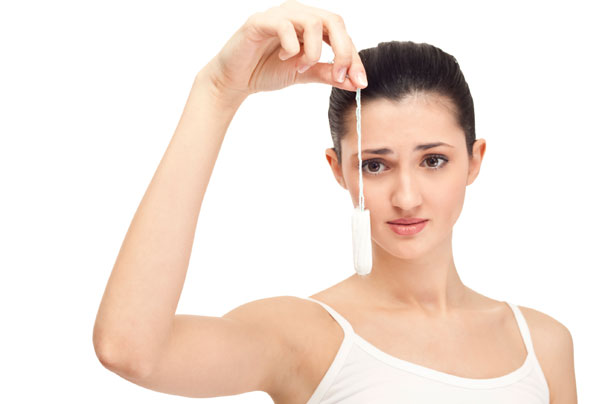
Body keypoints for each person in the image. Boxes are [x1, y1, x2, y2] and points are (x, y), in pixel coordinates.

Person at [92, 1, 577, 403]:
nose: (406, 197)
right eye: (375, 165)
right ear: (338, 169)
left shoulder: (543, 345)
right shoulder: (304, 336)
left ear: (474, 160)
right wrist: (218, 91)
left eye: (433, 161)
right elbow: (129, 350)